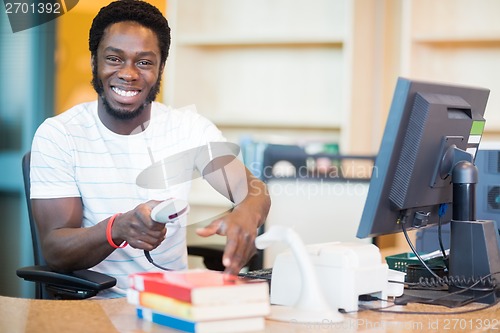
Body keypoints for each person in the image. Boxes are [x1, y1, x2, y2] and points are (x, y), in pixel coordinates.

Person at [29, 0, 271, 298]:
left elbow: (253, 188)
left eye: (144, 62)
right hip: (94, 308)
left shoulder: (189, 128)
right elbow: (55, 249)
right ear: (94, 62)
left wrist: (246, 213)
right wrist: (117, 228)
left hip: (171, 306)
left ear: (160, 68)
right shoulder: (59, 135)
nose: (129, 74)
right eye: (114, 59)